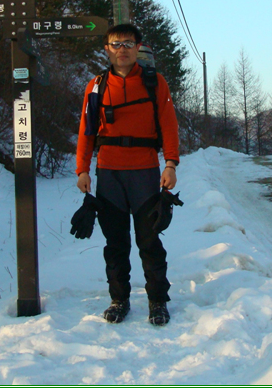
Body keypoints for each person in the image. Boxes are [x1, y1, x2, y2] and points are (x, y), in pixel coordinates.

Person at [75, 23, 180, 326]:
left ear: (138, 47)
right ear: (107, 49)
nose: (122, 49)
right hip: (109, 173)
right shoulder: (96, 85)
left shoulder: (154, 82)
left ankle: (158, 301)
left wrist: (170, 163)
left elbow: (169, 123)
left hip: (145, 171)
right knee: (115, 242)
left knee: (149, 240)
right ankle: (119, 299)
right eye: (116, 44)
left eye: (128, 43)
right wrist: (82, 169)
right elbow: (86, 130)